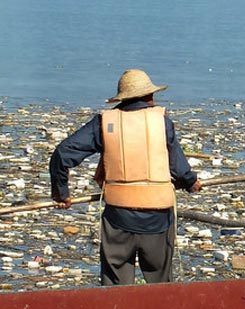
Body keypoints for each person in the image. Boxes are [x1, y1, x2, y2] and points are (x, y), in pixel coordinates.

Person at [50, 69, 202, 285]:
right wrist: (191, 182)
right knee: (161, 286)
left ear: (122, 98)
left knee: (116, 289)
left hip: (118, 219)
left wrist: (61, 193)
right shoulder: (162, 122)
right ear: (149, 96)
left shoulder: (104, 122)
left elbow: (62, 154)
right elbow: (178, 168)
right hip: (157, 220)